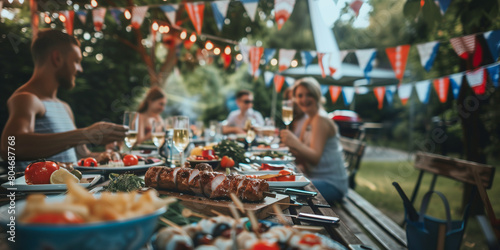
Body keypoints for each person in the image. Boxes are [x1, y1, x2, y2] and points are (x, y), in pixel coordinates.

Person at [0, 29, 127, 170]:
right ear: (57, 58)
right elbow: (9, 147)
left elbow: (81, 156)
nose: (80, 69)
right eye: (77, 61)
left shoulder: (64, 107)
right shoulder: (26, 99)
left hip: (72, 188)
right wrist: (85, 134)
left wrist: (108, 154)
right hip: (41, 192)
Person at [280, 77, 348, 203]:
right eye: (300, 95)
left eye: (309, 95)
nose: (304, 99)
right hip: (314, 178)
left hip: (332, 184)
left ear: (317, 95)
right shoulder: (309, 120)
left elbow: (315, 158)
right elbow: (300, 156)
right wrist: (289, 146)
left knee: (283, 191)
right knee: (280, 184)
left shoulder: (320, 119)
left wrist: (295, 143)